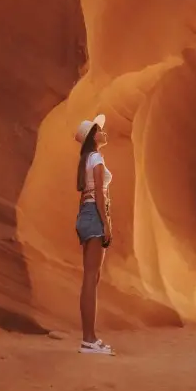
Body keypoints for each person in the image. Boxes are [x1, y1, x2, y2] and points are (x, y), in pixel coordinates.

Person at [75, 114, 114, 355]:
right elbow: (99, 192)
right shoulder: (96, 157)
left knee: (90, 279)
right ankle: (89, 339)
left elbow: (86, 192)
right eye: (100, 129)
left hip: (85, 214)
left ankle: (89, 338)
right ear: (93, 137)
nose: (103, 131)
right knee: (91, 279)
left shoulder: (85, 159)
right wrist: (107, 222)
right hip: (94, 214)